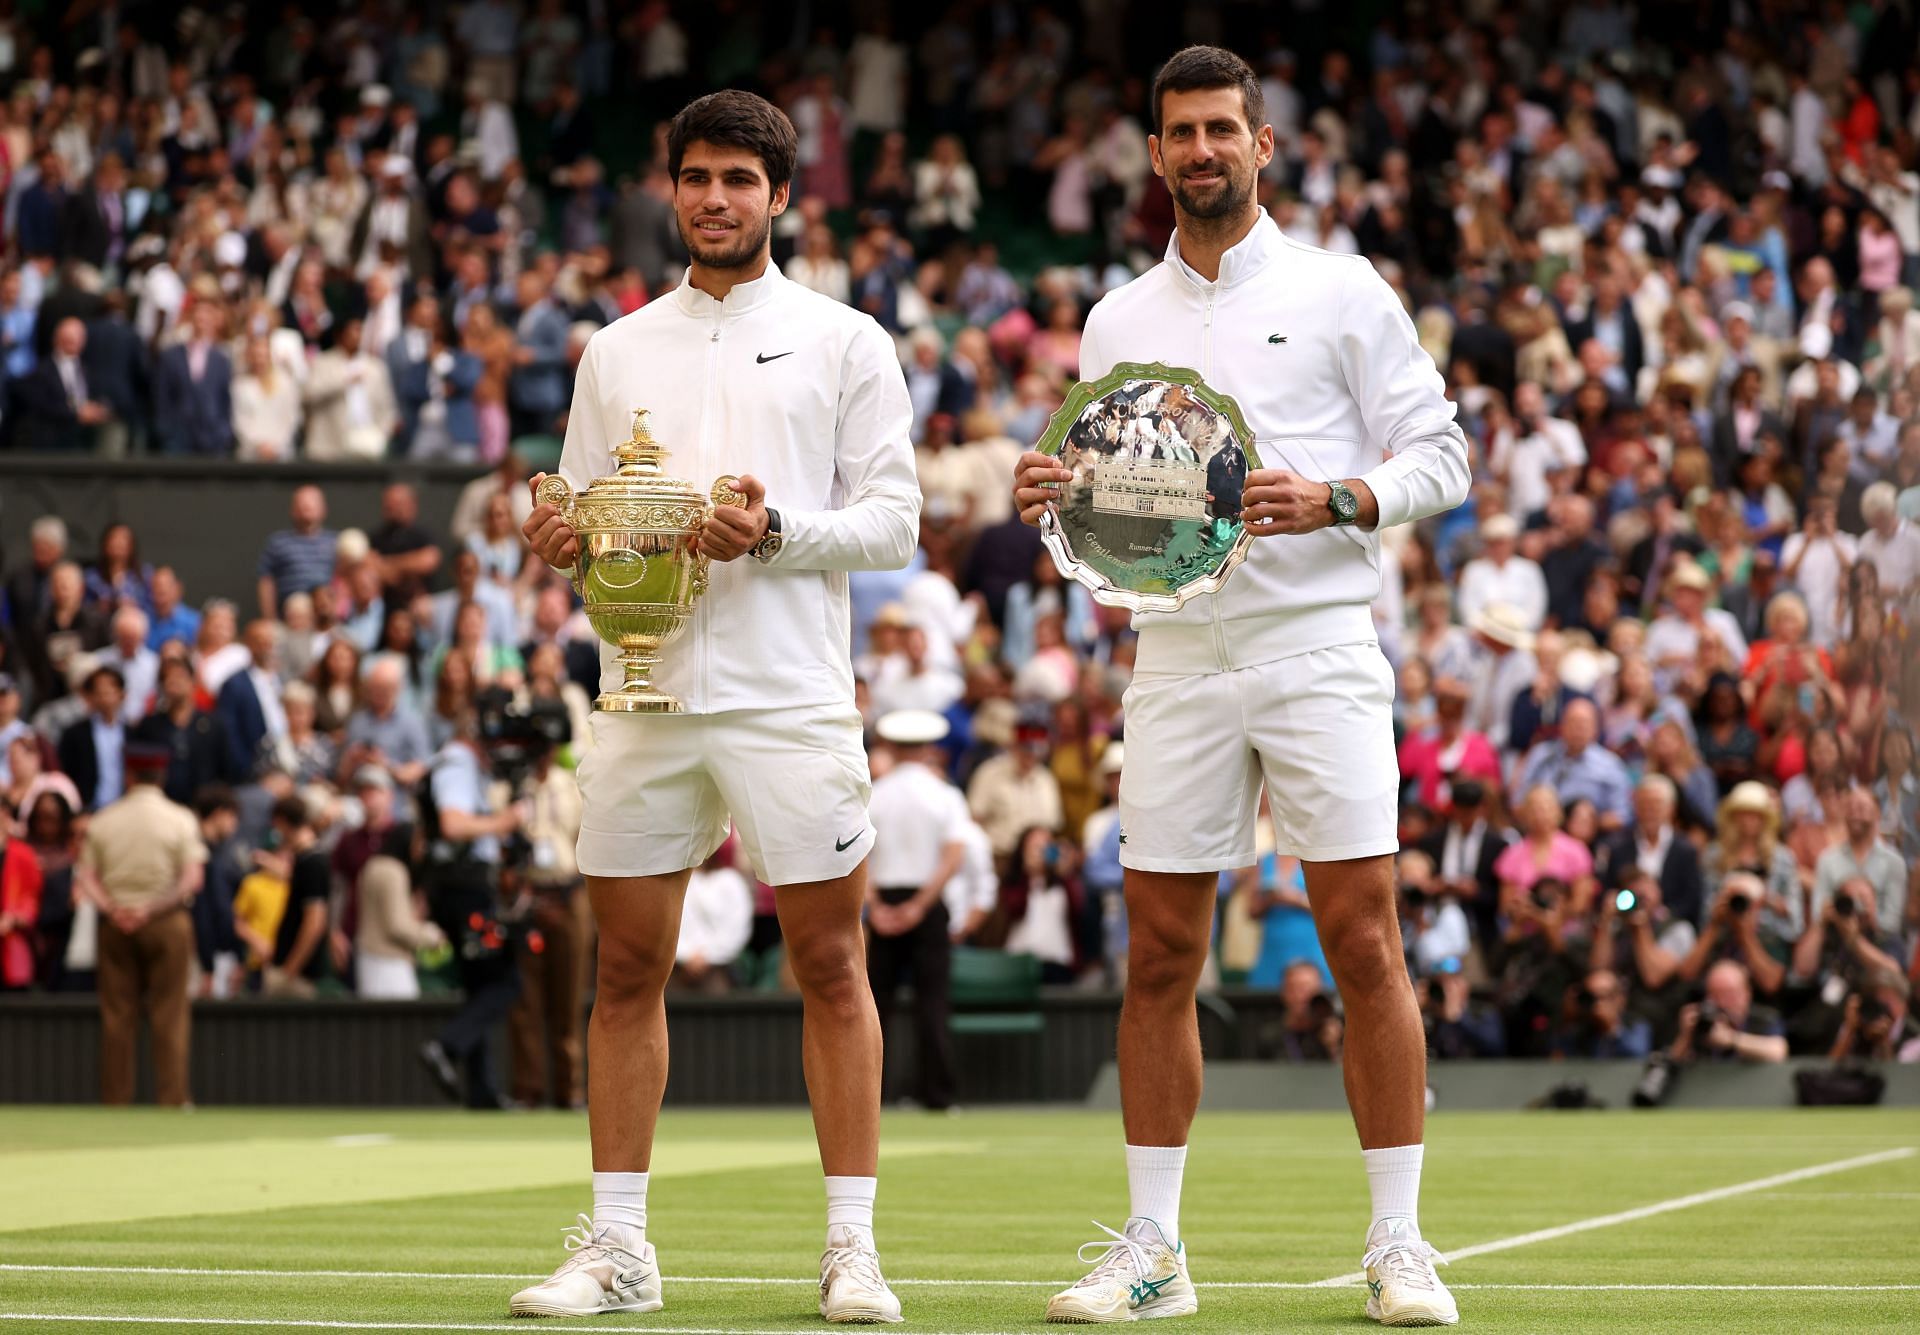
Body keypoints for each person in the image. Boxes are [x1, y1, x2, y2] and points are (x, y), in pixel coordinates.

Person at [1011, 47, 1468, 1327]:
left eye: (1223, 129)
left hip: (1320, 642)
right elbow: (1105, 494)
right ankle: (1153, 1249)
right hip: (1176, 657)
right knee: (1159, 953)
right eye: (1178, 133)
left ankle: (1400, 1244)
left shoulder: (1341, 289)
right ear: (1153, 155)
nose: (1201, 151)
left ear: (1263, 145)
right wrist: (1053, 499)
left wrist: (1343, 496)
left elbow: (1443, 450)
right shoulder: (1115, 320)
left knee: (1365, 941)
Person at [512, 90, 919, 1324]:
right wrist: (559, 540)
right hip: (639, 695)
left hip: (789, 696)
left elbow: (895, 523)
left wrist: (776, 530)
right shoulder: (614, 348)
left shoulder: (849, 339)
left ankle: (853, 1250)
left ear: (782, 196)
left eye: (740, 179)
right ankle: (620, 1249)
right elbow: (587, 523)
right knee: (624, 969)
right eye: (696, 177)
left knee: (831, 966)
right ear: (671, 191)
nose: (715, 199)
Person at [72, 744, 206, 1105]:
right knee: (171, 1014)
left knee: (117, 1017)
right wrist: (151, 908)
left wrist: (115, 909)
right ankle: (173, 1099)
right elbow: (191, 879)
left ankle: (116, 1101)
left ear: (129, 775)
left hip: (117, 926)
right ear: (161, 775)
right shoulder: (181, 819)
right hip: (166, 924)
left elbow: (86, 877)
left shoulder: (103, 820)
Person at [866, 709, 970, 1111]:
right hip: (926, 905)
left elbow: (859, 855)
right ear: (929, 749)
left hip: (887, 902)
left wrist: (876, 905)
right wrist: (921, 906)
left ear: (890, 746)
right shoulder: (945, 794)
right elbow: (954, 854)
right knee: (933, 1003)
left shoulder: (876, 792)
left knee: (877, 1006)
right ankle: (938, 1097)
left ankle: (871, 1097)